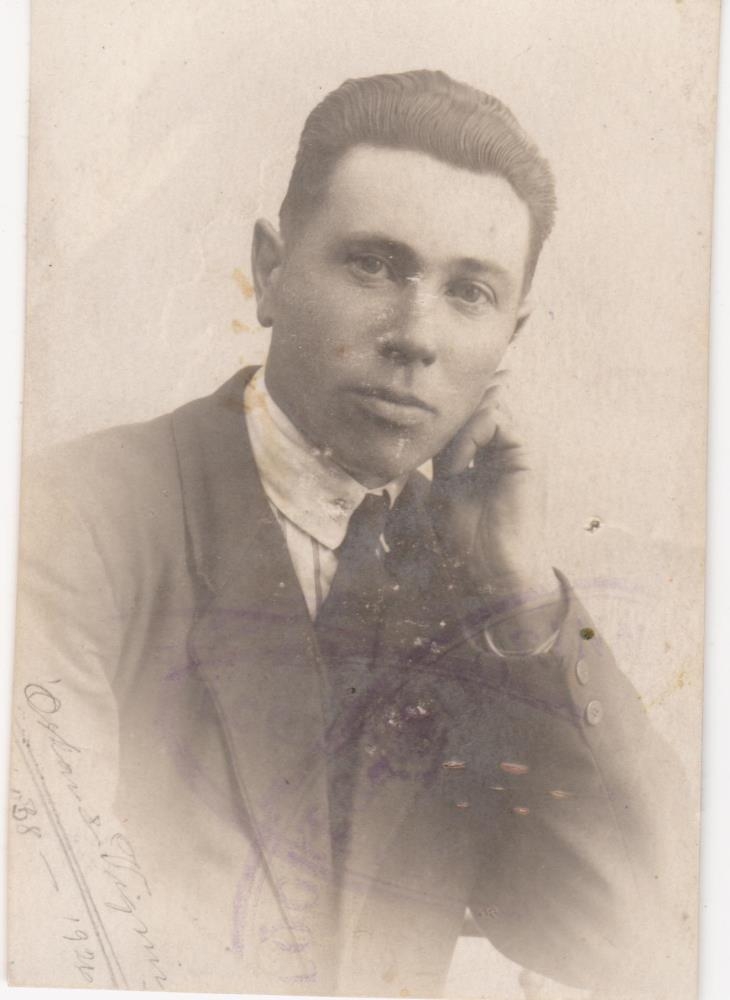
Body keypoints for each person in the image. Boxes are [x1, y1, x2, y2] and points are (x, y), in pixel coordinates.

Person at [11, 70, 687, 998]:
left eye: (470, 292)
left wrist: (527, 600)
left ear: (511, 336)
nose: (416, 334)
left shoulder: (481, 599)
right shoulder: (71, 524)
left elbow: (648, 938)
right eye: (374, 266)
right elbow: (50, 940)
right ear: (271, 272)